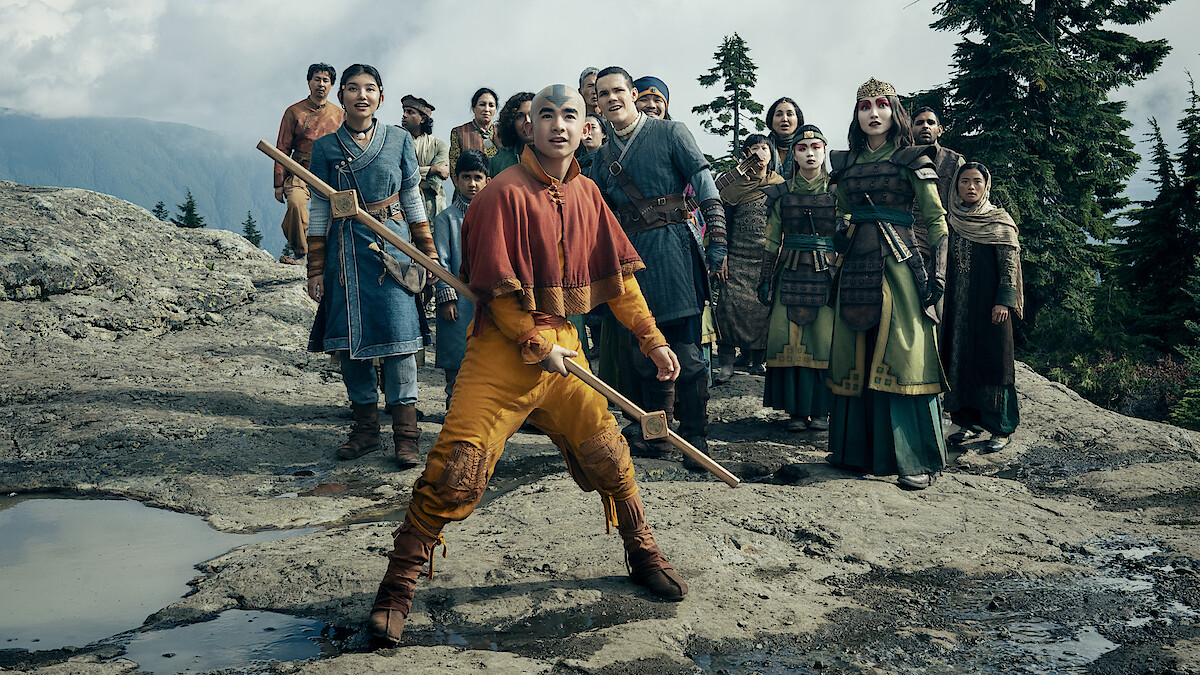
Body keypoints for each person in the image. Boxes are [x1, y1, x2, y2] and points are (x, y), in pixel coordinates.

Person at [367, 84, 688, 647]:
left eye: (570, 116)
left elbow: (620, 280)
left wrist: (652, 339)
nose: (558, 126)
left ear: (585, 126)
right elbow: (495, 292)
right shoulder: (500, 194)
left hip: (567, 349)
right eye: (546, 115)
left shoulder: (589, 193)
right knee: (455, 469)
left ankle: (642, 551)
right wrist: (539, 344)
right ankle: (397, 586)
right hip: (503, 352)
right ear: (529, 126)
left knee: (611, 455)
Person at [305, 64, 439, 470]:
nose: (361, 96)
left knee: (400, 344)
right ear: (341, 96)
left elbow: (413, 198)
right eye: (352, 89)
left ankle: (407, 437)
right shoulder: (326, 148)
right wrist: (315, 268)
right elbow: (317, 209)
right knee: (350, 346)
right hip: (344, 253)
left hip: (393, 251)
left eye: (369, 89)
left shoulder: (398, 141)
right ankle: (364, 431)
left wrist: (427, 252)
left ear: (381, 95)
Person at [592, 66, 727, 460]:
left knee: (685, 352)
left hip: (674, 252)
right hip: (630, 259)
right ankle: (656, 434)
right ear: (596, 102)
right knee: (641, 352)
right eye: (603, 94)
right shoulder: (601, 157)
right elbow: (598, 213)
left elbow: (704, 184)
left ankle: (696, 436)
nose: (612, 98)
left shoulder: (671, 132)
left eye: (618, 90)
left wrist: (717, 241)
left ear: (633, 93)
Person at [826, 77, 949, 490]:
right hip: (855, 266)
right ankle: (854, 452)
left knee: (903, 353)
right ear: (856, 115)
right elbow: (842, 216)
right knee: (854, 355)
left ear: (894, 112)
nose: (872, 113)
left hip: (899, 265)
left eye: (880, 105)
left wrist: (940, 275)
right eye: (864, 107)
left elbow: (936, 221)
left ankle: (915, 458)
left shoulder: (913, 159)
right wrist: (834, 246)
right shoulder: (844, 164)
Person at [757, 125, 836, 431]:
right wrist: (765, 278)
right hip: (789, 269)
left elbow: (846, 232)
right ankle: (794, 412)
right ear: (793, 155)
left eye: (816, 147)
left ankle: (820, 411)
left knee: (823, 340)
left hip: (826, 271)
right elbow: (772, 239)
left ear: (825, 151)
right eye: (802, 149)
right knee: (787, 339)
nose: (810, 153)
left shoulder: (836, 191)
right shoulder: (782, 193)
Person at [941, 162, 1023, 452]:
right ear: (957, 186)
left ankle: (1001, 428)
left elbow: (1009, 265)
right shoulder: (950, 219)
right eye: (964, 181)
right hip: (958, 306)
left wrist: (1004, 300)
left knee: (994, 364)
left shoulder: (998, 221)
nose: (971, 187)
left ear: (986, 185)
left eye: (977, 181)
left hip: (991, 308)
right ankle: (965, 422)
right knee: (958, 359)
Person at [714, 134, 782, 382]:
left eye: (765, 148)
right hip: (736, 257)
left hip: (766, 258)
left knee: (763, 307)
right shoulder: (732, 185)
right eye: (755, 148)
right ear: (746, 154)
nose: (761, 153)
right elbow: (722, 222)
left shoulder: (779, 184)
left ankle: (756, 362)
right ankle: (726, 364)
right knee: (728, 307)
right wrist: (720, 255)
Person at [432, 149, 489, 405]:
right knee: (457, 360)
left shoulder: (493, 216)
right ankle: (453, 411)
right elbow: (441, 261)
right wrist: (446, 297)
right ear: (455, 180)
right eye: (466, 177)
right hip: (457, 302)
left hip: (488, 302)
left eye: (478, 177)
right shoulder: (446, 219)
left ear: (488, 180)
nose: (472, 183)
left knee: (487, 361)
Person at [273, 63, 343, 265]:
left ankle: (327, 256)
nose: (321, 84)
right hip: (300, 170)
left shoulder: (340, 115)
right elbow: (282, 148)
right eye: (317, 79)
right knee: (295, 203)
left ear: (332, 86)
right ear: (309, 82)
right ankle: (302, 253)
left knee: (336, 214)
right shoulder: (294, 112)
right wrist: (279, 183)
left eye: (326, 81)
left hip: (331, 172)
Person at [400, 95, 449, 231]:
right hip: (402, 208)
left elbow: (433, 183)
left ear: (422, 118)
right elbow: (398, 176)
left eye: (410, 112)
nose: (404, 115)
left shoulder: (438, 146)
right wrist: (433, 169)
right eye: (404, 111)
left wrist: (414, 174)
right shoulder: (396, 142)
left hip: (433, 210)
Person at [911, 107, 966, 212]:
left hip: (945, 225)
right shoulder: (902, 159)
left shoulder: (955, 161)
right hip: (908, 225)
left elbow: (966, 201)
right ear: (911, 129)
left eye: (930, 123)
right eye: (919, 123)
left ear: (939, 130)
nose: (925, 126)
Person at [447, 87, 499, 178]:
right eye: (482, 104)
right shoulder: (459, 132)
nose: (486, 109)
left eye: (491, 105)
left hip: (498, 188)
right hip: (470, 188)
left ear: (495, 109)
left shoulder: (502, 133)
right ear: (474, 108)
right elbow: (454, 168)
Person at [489, 91, 535, 176]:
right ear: (511, 122)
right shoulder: (497, 163)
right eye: (519, 116)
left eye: (532, 114)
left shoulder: (558, 158)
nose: (527, 121)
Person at [765, 97, 803, 180]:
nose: (784, 119)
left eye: (790, 114)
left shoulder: (807, 147)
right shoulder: (761, 148)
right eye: (779, 114)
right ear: (771, 120)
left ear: (798, 119)